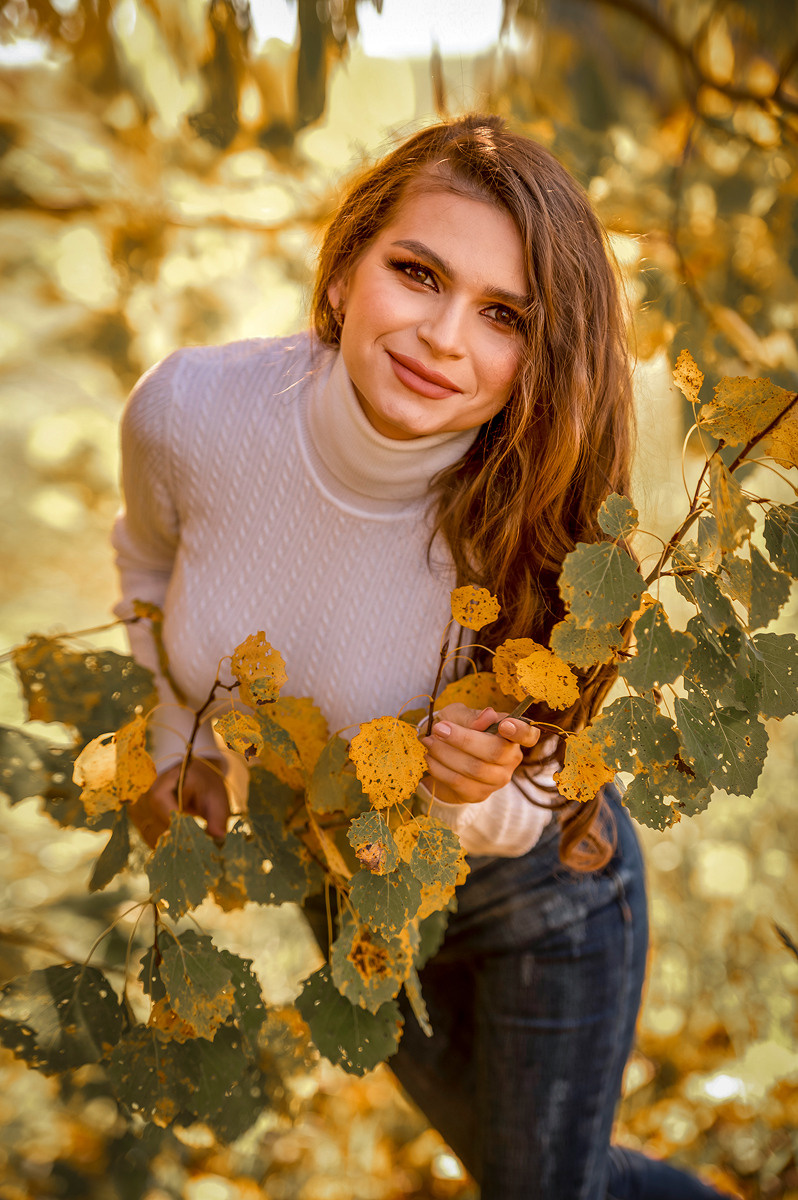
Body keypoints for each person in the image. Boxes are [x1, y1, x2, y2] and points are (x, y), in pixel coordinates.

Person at [114, 114, 728, 1199]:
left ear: (543, 354)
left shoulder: (549, 525)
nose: (446, 337)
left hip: (543, 896)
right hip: (352, 903)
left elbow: (527, 804)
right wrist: (182, 744)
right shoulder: (190, 413)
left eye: (504, 316)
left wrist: (467, 789)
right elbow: (148, 570)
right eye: (417, 272)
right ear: (348, 267)